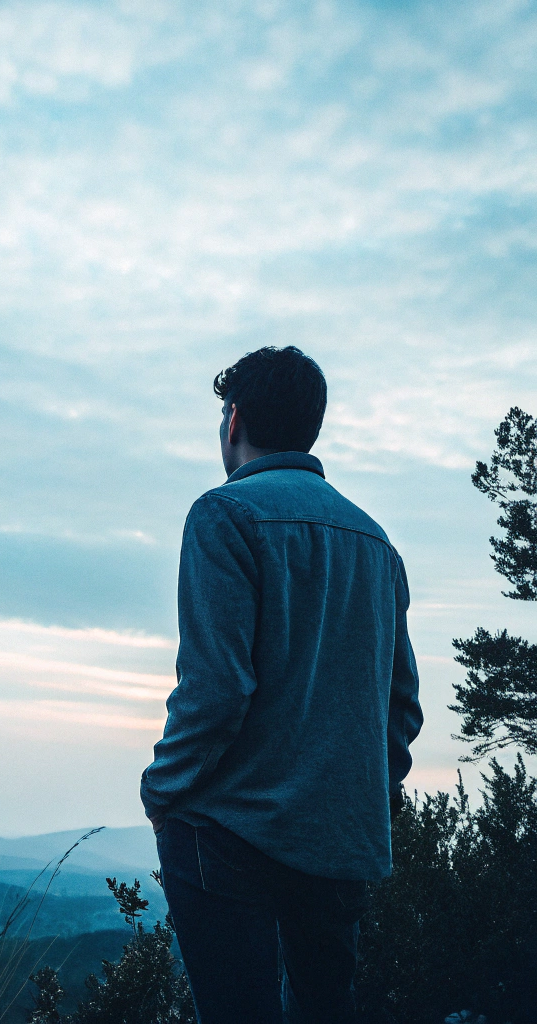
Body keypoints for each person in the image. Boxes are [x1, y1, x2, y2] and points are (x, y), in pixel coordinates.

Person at [141, 345, 423, 1024]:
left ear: (234, 419)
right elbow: (402, 706)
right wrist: (364, 798)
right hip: (341, 840)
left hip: (232, 834)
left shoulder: (224, 515)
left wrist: (162, 790)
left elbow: (216, 688)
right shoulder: (376, 542)